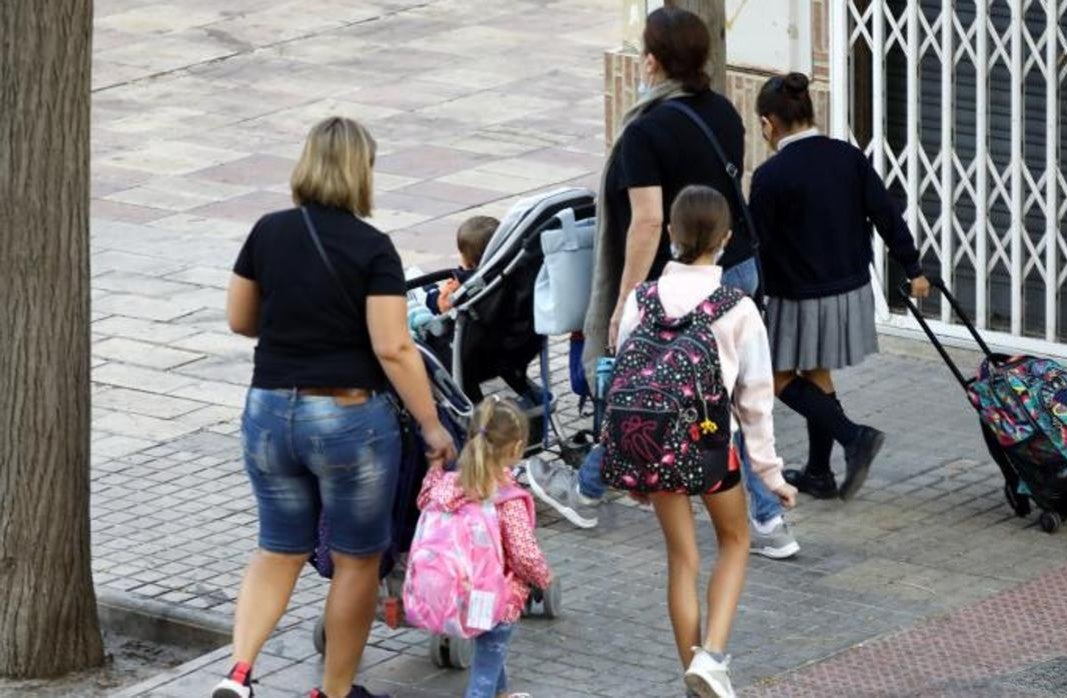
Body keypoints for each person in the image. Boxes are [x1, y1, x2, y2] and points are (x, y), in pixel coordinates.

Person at [529, 6, 800, 560]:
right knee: (712, 397)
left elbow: (648, 221)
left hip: (683, 287)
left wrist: (625, 299)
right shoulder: (723, 110)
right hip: (739, 265)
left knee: (648, 395)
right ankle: (765, 520)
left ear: (652, 61)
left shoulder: (645, 132)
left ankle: (591, 491)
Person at [216, 117, 457, 698]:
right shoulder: (373, 249)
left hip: (269, 412)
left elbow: (240, 319)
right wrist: (431, 426)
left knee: (278, 548)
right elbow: (394, 347)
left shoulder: (266, 232)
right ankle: (336, 690)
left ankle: (240, 673)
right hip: (348, 420)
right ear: (361, 173)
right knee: (356, 560)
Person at [606, 186, 797, 698]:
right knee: (734, 541)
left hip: (653, 446)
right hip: (711, 445)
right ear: (727, 239)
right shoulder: (736, 307)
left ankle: (694, 675)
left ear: (670, 233)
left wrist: (636, 462)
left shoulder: (640, 299)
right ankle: (711, 656)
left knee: (681, 559)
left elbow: (627, 377)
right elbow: (755, 401)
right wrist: (771, 473)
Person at [751, 73, 931, 501]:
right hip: (850, 290)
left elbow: (758, 246)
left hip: (800, 294)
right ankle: (818, 473)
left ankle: (854, 437)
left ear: (767, 123)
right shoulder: (847, 157)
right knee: (817, 373)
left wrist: (748, 301)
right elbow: (887, 213)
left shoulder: (771, 176)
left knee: (773, 378)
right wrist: (913, 266)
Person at [417, 397, 552, 698]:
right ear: (516, 449)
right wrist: (543, 577)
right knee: (484, 671)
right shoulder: (507, 498)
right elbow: (523, 553)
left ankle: (502, 694)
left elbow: (425, 499)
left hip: (457, 593)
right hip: (497, 600)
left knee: (490, 655)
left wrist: (435, 469)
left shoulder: (448, 486)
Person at [427, 215, 499, 315]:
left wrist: (435, 295)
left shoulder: (464, 281)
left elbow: (440, 303)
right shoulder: (504, 270)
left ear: (468, 260)